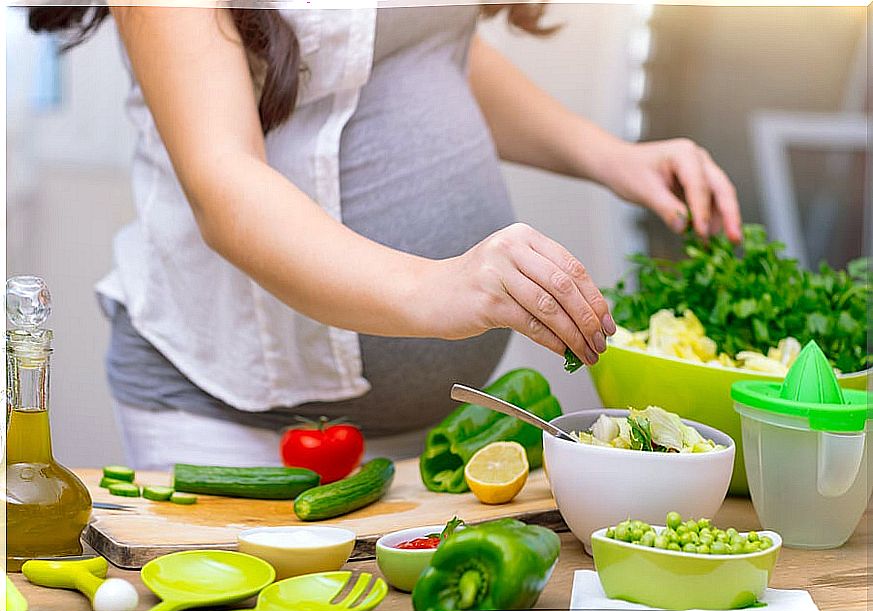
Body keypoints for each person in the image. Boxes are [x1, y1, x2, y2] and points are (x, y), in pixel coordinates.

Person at [28, 4, 741, 468]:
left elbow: (419, 41)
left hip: (423, 435)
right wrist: (441, 284)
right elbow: (224, 185)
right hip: (239, 421)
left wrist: (608, 156)